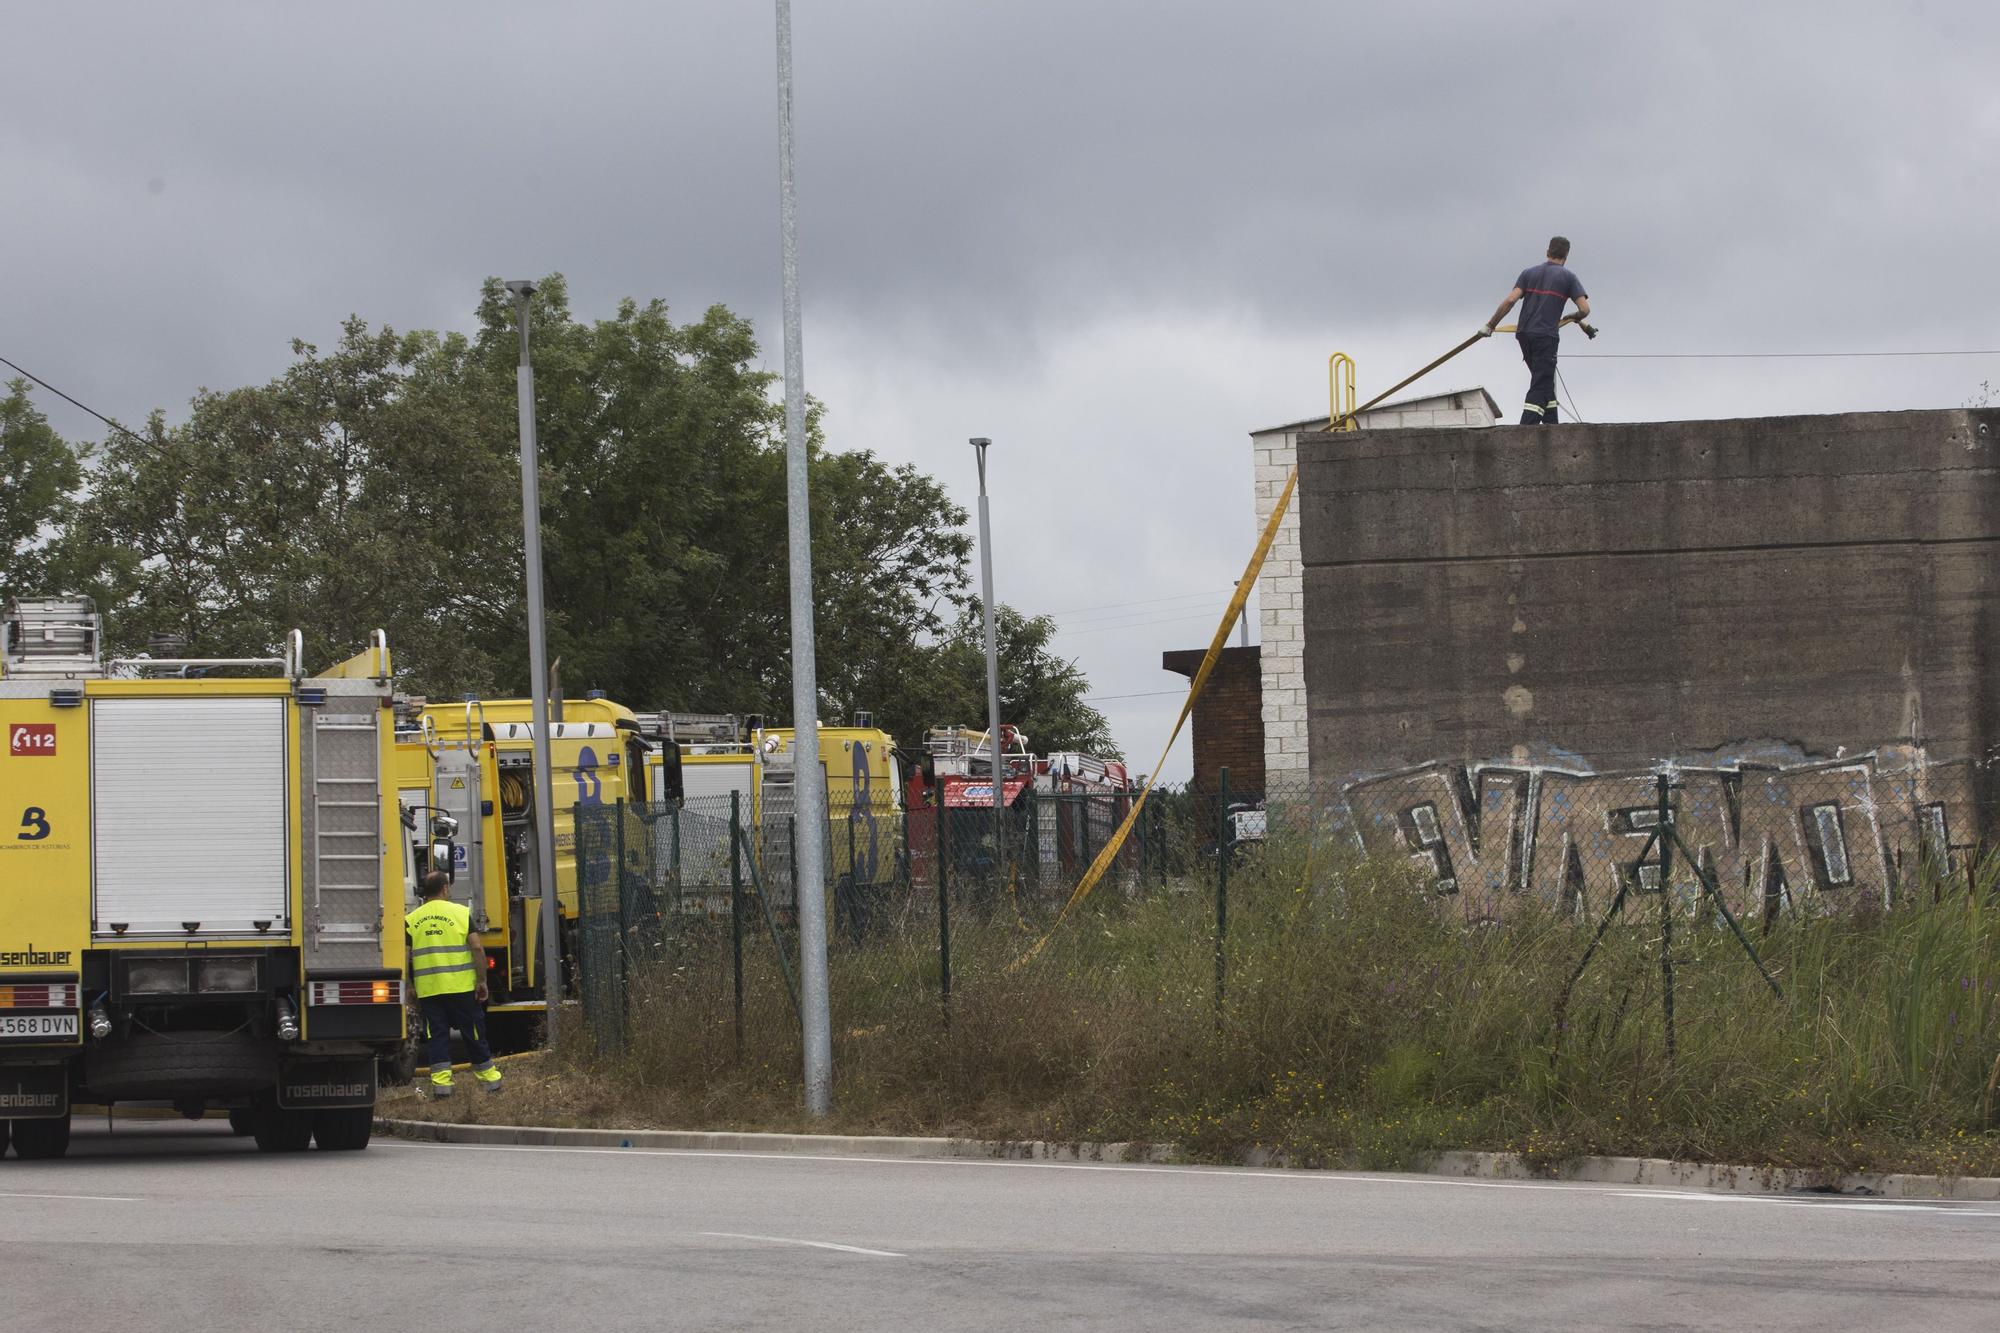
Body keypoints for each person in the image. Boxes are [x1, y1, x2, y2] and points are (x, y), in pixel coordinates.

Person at [405, 870, 502, 1097]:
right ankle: (490, 1082)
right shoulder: (460, 913)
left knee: (436, 1035)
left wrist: (409, 986)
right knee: (474, 1033)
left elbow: (404, 955)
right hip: (461, 988)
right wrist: (482, 981)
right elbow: (477, 948)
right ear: (445, 888)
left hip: (429, 990)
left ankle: (442, 1088)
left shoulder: (411, 919)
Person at [1480, 236, 1590, 425]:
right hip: (1546, 336)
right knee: (1541, 383)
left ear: (1547, 252)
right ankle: (1526, 429)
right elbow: (1585, 310)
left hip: (1524, 335)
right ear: (1566, 256)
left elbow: (1510, 301)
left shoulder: (1528, 273)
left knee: (1545, 380)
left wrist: (1490, 326)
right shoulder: (1569, 278)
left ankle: (1552, 427)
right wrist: (1575, 317)